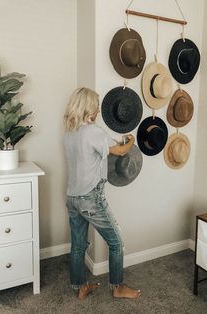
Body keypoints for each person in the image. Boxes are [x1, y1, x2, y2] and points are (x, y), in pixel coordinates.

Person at [63, 87, 141, 300]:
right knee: (116, 241)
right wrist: (131, 140)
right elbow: (121, 151)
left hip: (72, 197)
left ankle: (80, 287)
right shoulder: (94, 132)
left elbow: (98, 153)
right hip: (90, 197)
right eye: (96, 105)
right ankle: (117, 287)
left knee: (78, 245)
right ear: (88, 107)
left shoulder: (69, 134)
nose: (98, 109)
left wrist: (117, 144)